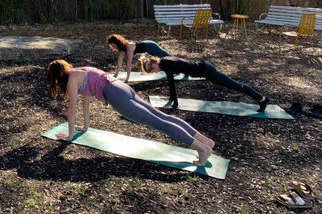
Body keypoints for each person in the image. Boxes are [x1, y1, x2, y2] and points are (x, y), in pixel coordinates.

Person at [46, 59, 215, 166]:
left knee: (157, 123)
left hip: (116, 95)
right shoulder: (80, 71)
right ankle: (206, 141)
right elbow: (86, 102)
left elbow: (71, 109)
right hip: (122, 87)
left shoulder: (72, 80)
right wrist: (85, 126)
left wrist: (69, 135)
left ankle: (201, 149)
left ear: (55, 78)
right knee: (162, 117)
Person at [139, 55, 269, 111]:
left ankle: (262, 99)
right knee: (230, 84)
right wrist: (171, 99)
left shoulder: (166, 65)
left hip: (206, 70)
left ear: (154, 63)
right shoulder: (165, 60)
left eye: (153, 69)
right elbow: (174, 80)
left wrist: (174, 105)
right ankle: (261, 98)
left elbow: (171, 84)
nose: (155, 71)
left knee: (233, 84)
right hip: (204, 68)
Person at [107, 34, 171, 81]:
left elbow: (129, 64)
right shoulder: (121, 48)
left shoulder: (129, 46)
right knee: (164, 59)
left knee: (168, 58)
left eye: (112, 44)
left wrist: (127, 79)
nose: (112, 46)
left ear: (117, 42)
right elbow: (119, 61)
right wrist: (116, 74)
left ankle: (179, 66)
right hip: (147, 49)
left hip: (151, 46)